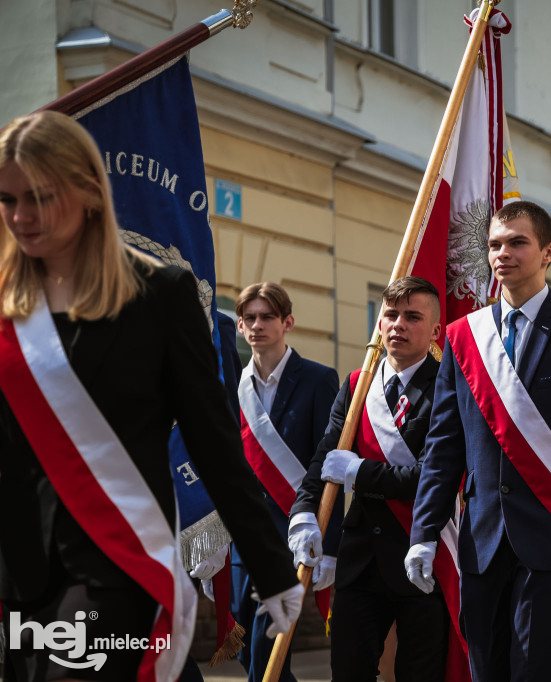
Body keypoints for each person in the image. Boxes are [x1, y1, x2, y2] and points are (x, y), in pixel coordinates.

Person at [0, 110, 301, 680]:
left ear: (89, 190)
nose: (20, 216)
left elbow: (213, 442)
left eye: (39, 196)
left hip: (115, 562)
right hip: (20, 574)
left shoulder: (159, 294)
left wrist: (269, 566)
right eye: (6, 199)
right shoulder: (6, 306)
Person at [406, 200, 551, 681]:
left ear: (548, 252)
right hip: (483, 541)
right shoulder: (463, 337)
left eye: (516, 242)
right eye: (493, 245)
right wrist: (424, 533)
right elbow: (444, 448)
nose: (501, 253)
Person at [289, 276, 452, 681]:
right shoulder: (358, 384)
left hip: (424, 556)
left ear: (434, 330)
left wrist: (361, 473)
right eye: (390, 314)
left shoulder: (450, 386)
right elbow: (327, 454)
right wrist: (305, 511)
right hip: (361, 561)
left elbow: (432, 476)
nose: (398, 324)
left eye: (412, 316)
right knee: (348, 672)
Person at [232, 281, 339, 682]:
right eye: (249, 318)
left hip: (291, 533)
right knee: (244, 645)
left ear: (287, 322)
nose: (257, 325)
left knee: (269, 646)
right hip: (242, 537)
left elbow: (329, 464)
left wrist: (331, 543)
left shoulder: (317, 379)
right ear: (240, 327)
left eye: (267, 317)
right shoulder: (232, 386)